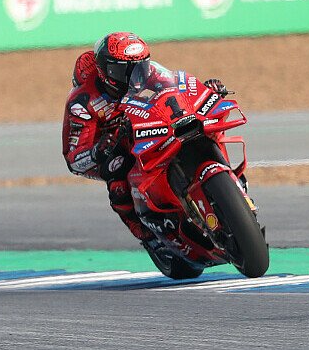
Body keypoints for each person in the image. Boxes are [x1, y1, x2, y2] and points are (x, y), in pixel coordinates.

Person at [62, 32, 229, 246]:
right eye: (123, 70)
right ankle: (144, 233)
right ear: (105, 71)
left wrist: (205, 92)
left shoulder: (148, 72)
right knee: (116, 171)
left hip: (149, 126)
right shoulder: (83, 102)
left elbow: (175, 88)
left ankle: (229, 180)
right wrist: (99, 150)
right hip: (113, 146)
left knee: (205, 125)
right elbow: (73, 158)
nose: (135, 75)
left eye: (140, 66)